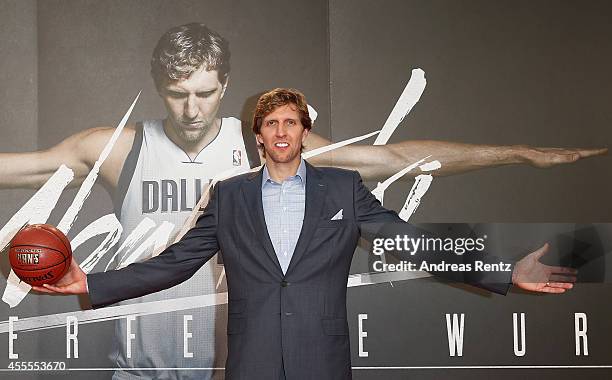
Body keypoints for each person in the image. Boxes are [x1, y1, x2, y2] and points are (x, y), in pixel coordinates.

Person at [35, 88, 578, 380]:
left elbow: (408, 241)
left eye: (290, 122)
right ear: (258, 136)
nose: (280, 131)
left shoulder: (342, 190)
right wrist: (90, 282)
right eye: (270, 123)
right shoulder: (230, 197)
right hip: (253, 364)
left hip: (321, 360)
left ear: (303, 132)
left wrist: (503, 271)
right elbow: (175, 262)